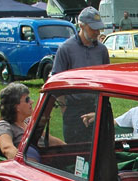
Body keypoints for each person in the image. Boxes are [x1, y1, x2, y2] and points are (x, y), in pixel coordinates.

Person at [51, 6, 109, 143]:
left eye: (98, 28)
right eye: (93, 28)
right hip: (73, 108)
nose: (97, 32)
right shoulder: (65, 49)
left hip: (95, 106)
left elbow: (107, 79)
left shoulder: (102, 50)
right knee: (74, 148)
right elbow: (57, 80)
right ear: (81, 26)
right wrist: (64, 109)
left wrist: (102, 107)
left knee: (98, 146)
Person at [0, 83, 33, 160]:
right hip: (30, 167)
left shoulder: (30, 122)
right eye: (27, 99)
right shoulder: (3, 126)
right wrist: (26, 163)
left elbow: (52, 141)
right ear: (16, 106)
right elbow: (7, 149)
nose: (32, 101)